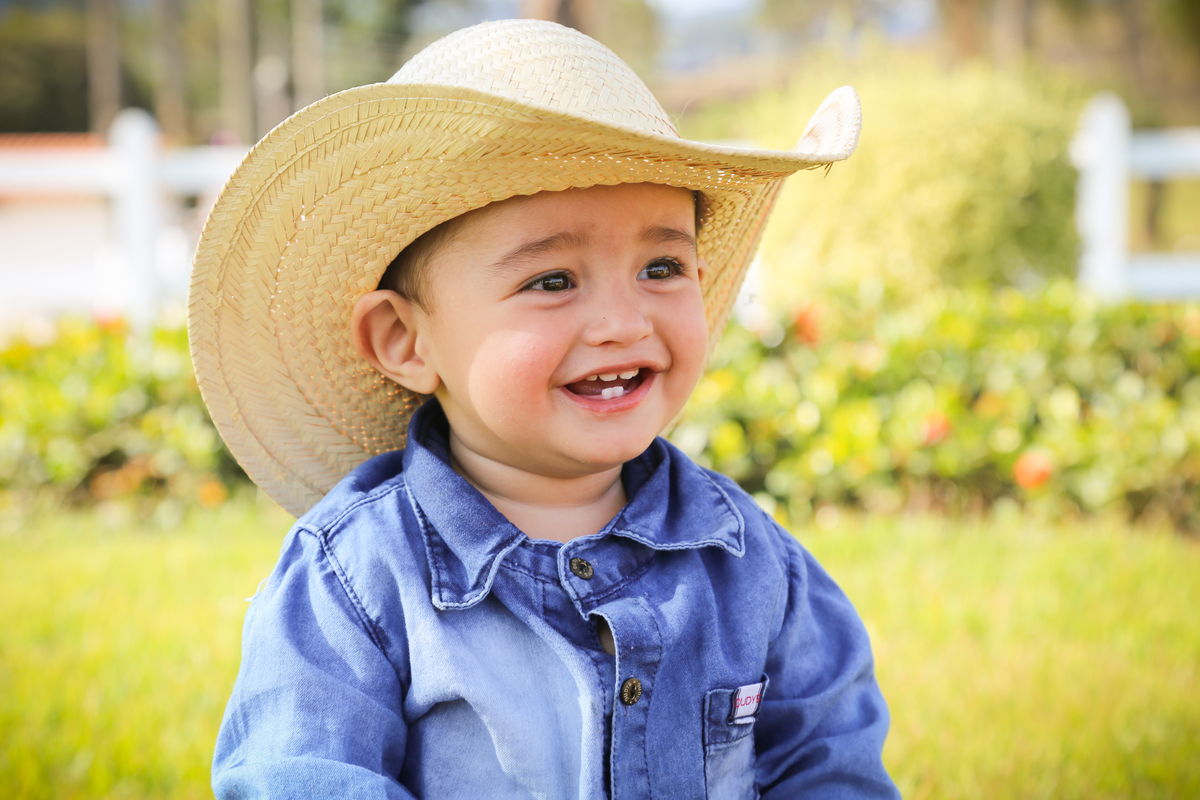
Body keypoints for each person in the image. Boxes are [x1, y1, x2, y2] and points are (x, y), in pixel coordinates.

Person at [190, 18, 899, 800]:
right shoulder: (356, 579)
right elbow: (301, 778)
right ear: (405, 340)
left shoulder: (749, 564)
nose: (624, 322)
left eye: (662, 267)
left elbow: (830, 768)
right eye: (553, 281)